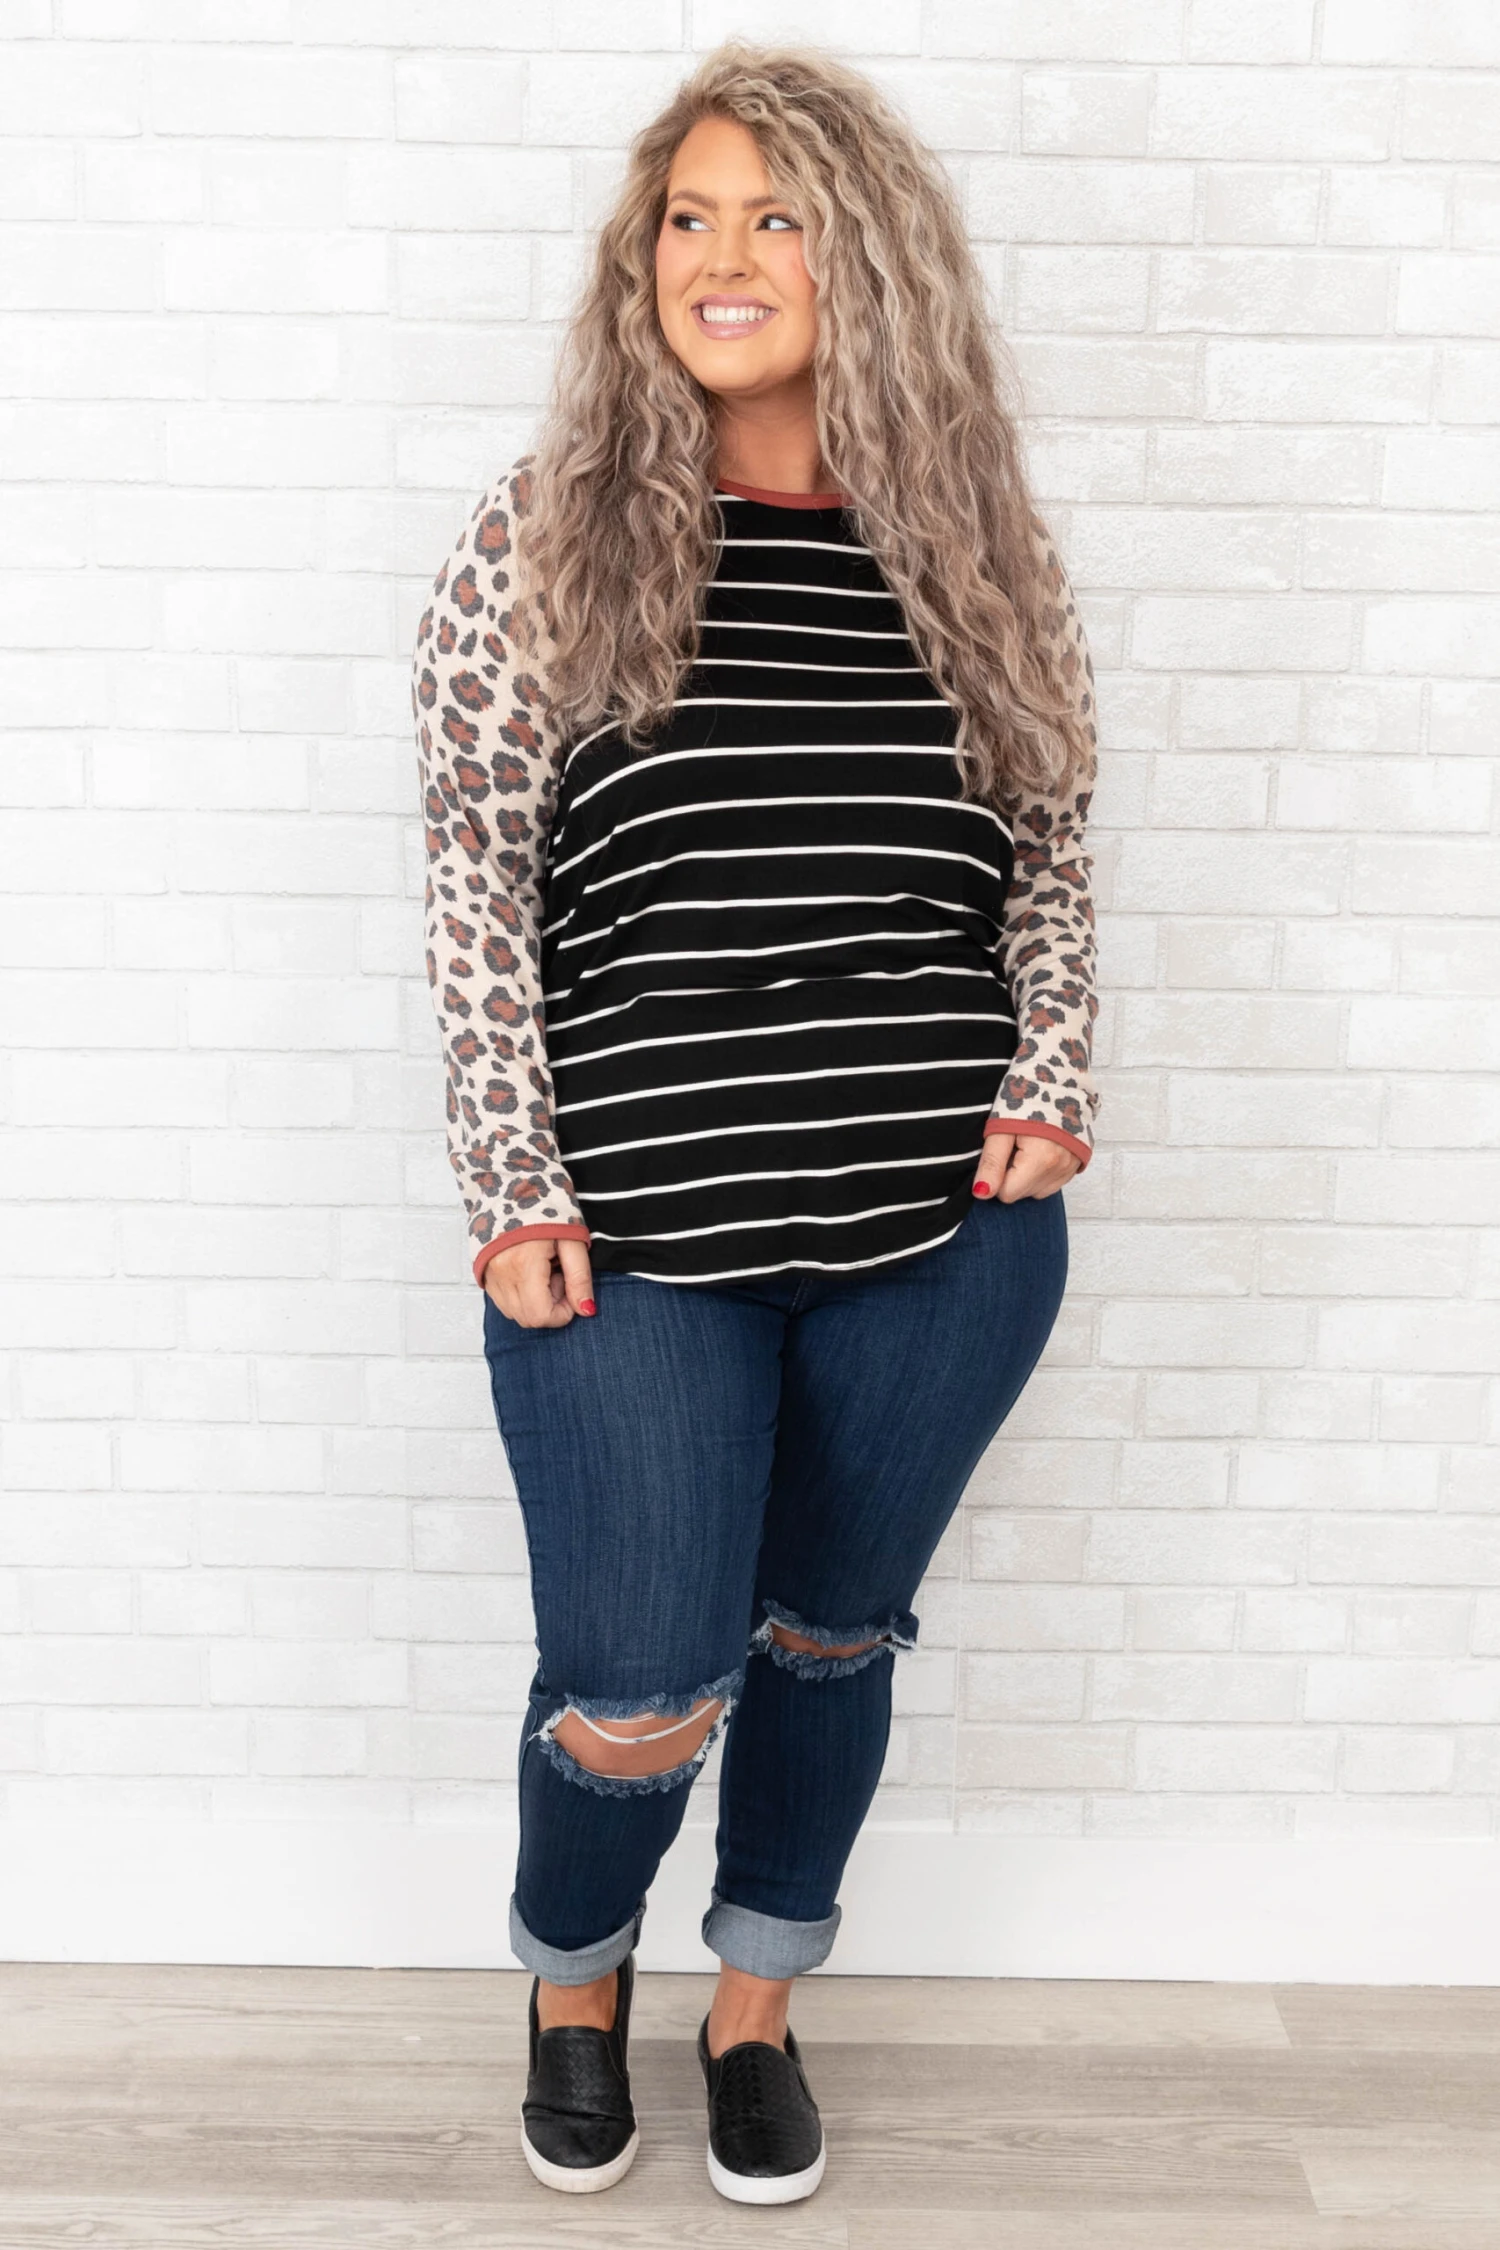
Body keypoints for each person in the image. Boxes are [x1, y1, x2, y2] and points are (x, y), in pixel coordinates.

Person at [412, 40, 1099, 2208]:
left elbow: (1051, 852)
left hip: (942, 1227)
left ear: (863, 254)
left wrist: (1054, 1070)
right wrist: (511, 1177)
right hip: (629, 1226)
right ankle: (574, 1978)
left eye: (775, 214)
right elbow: (473, 879)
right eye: (688, 218)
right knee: (639, 1678)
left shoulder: (974, 546)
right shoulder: (546, 535)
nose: (723, 255)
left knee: (827, 1635)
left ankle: (758, 2003)